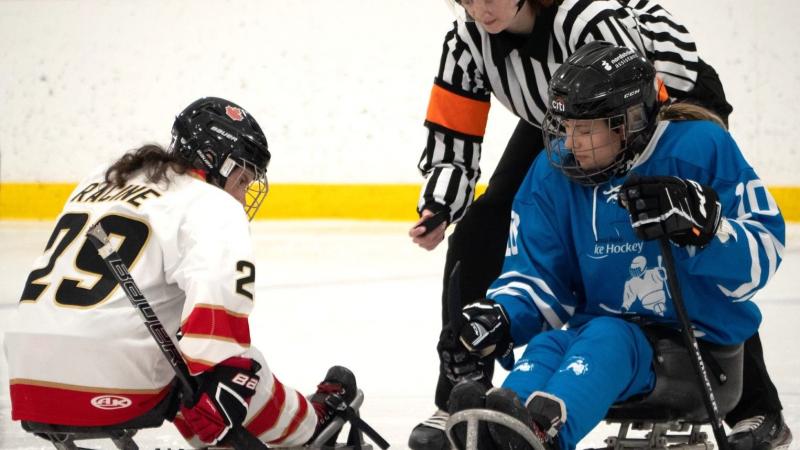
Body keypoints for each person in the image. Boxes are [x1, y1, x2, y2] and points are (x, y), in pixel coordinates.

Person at [407, 1, 790, 448]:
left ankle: (756, 408)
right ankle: (497, 425)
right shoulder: (558, 163)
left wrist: (706, 223)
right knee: (547, 338)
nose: (478, 8)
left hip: (668, 99)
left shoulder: (691, 144)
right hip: (599, 133)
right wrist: (500, 317)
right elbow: (539, 272)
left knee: (614, 327)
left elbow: (638, 91)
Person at [4, 97, 356, 448]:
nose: (245, 193)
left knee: (173, 349)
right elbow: (217, 321)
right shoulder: (211, 203)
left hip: (27, 387)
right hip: (116, 389)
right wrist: (225, 382)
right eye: (244, 177)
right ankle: (308, 428)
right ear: (215, 162)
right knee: (236, 367)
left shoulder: (98, 180)